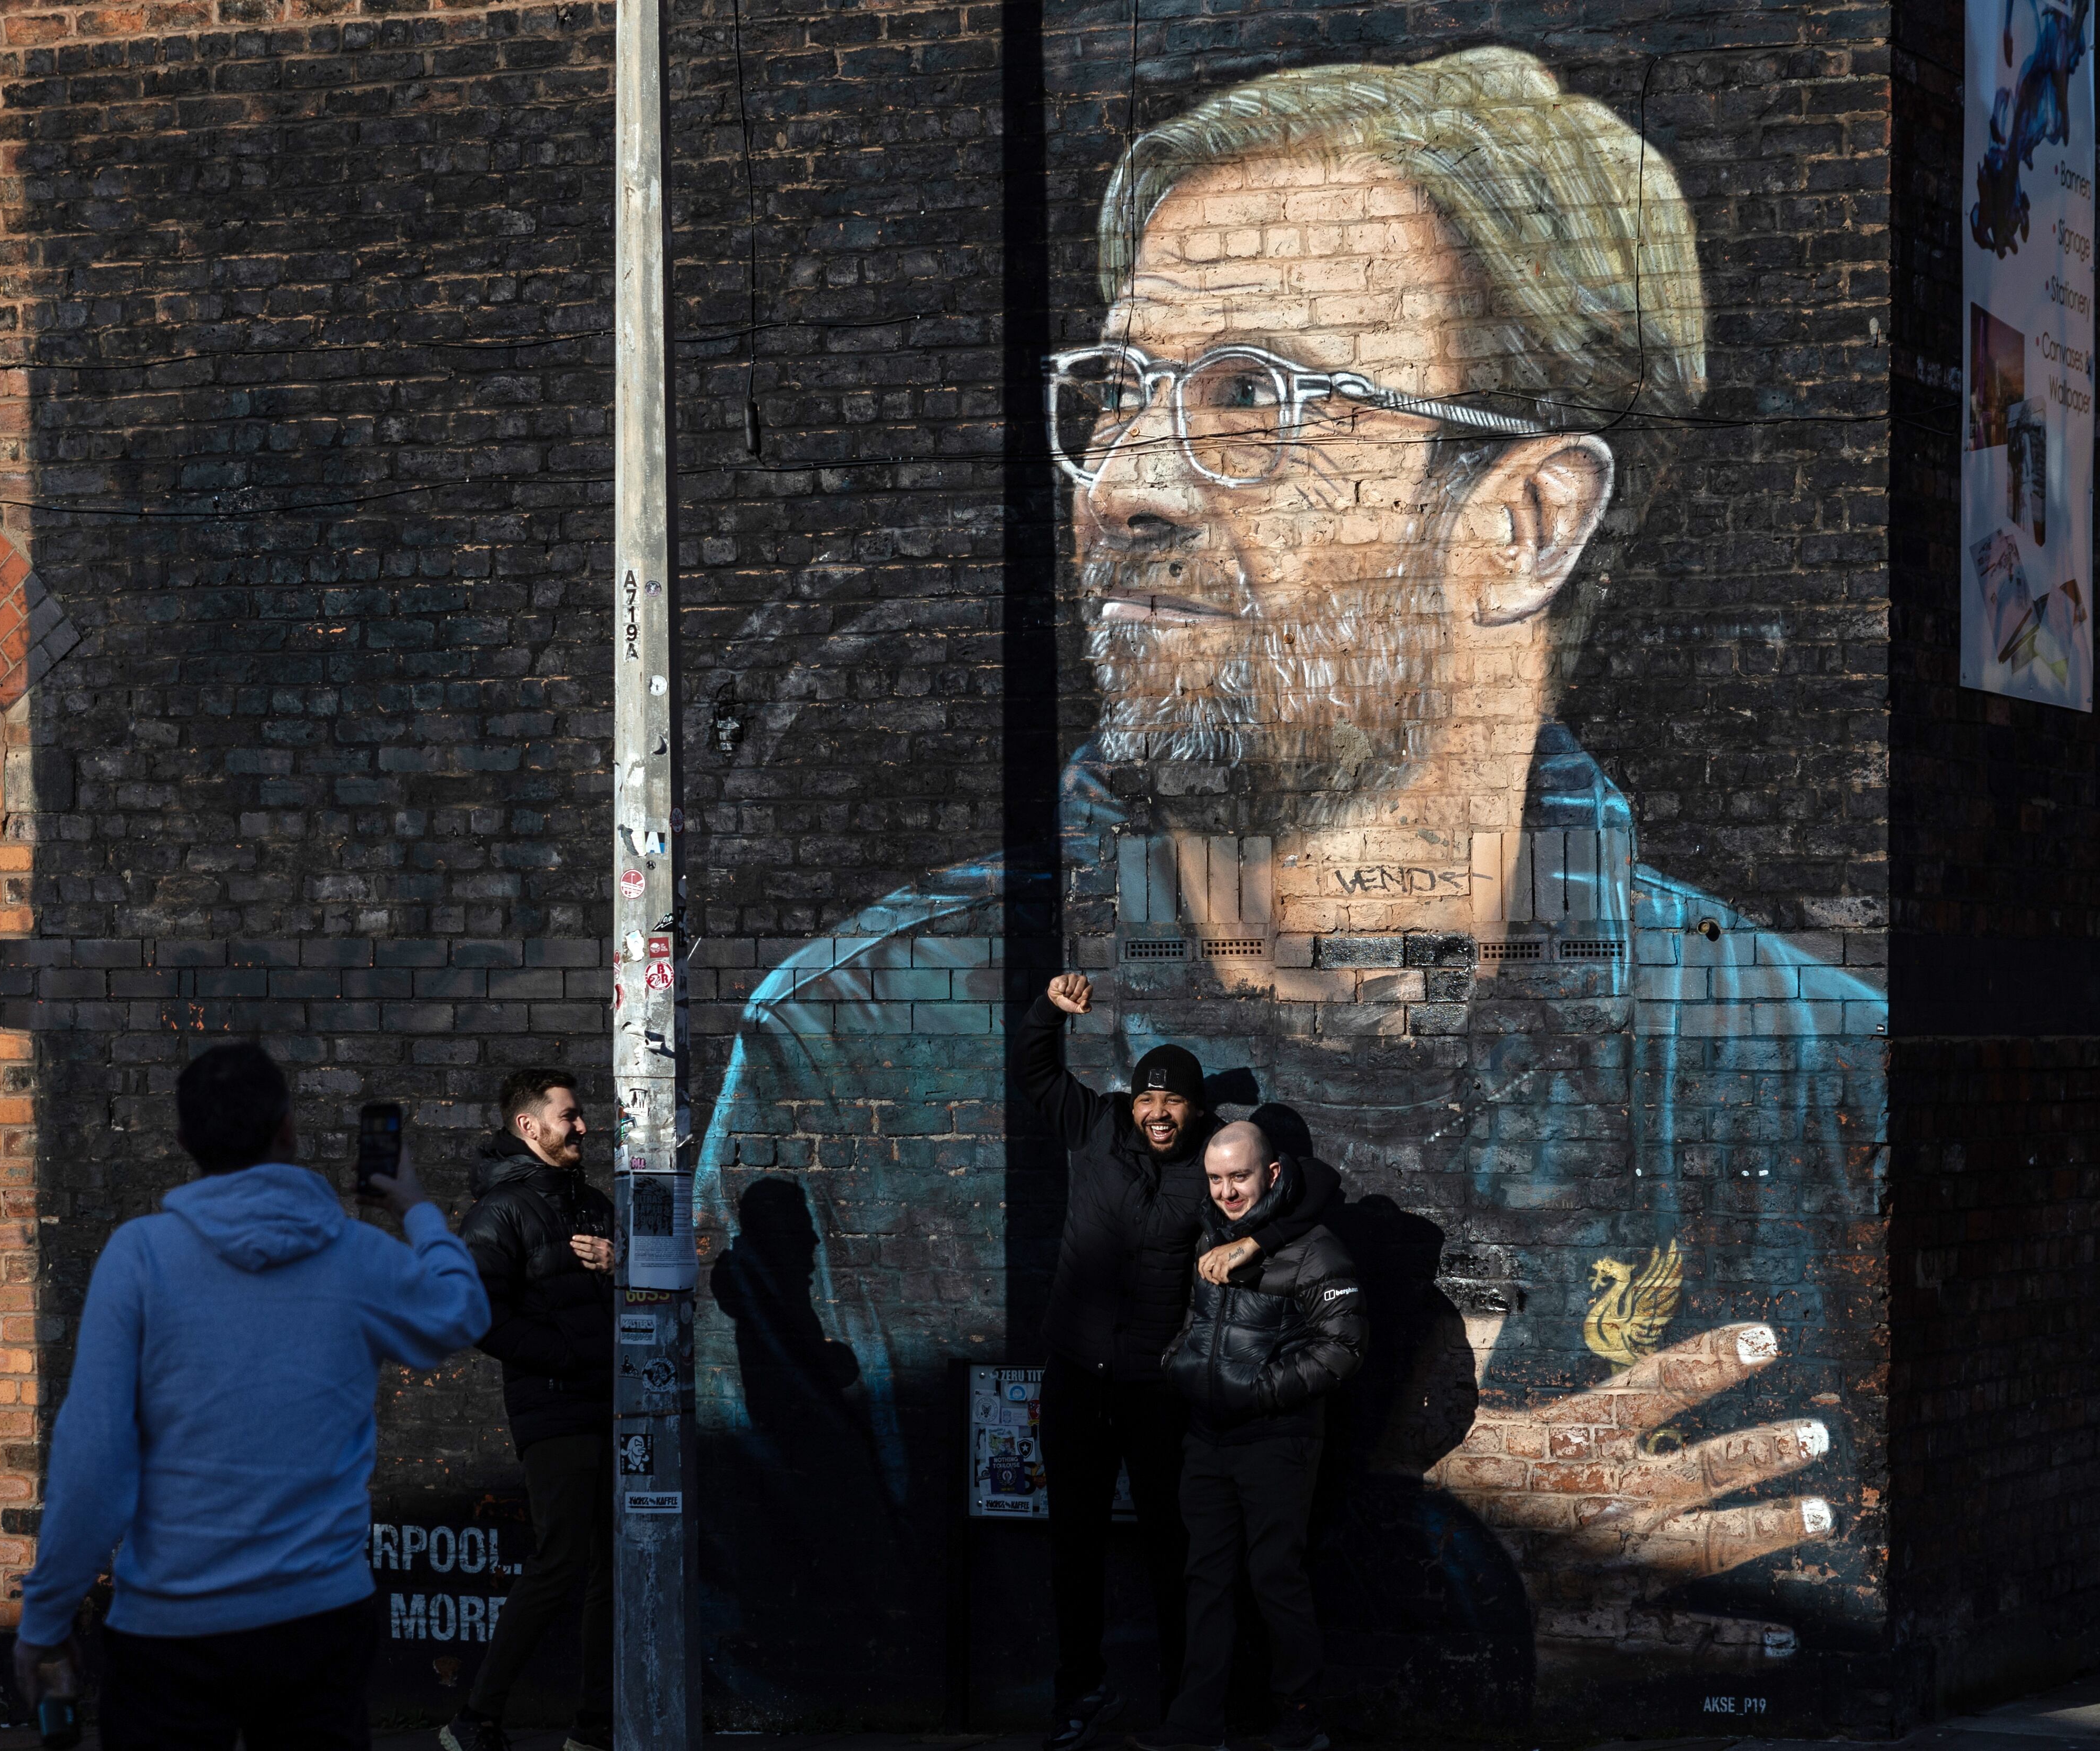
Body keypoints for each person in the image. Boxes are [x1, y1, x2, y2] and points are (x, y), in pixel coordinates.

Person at [694, 45, 1876, 1707]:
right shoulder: (861, 1048)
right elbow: (797, 1655)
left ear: (1525, 521)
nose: (1124, 480)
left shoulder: (1813, 1080)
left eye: (1253, 393)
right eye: (1115, 385)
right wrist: (1435, 1579)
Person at [12, 1041, 490, 1749]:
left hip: (170, 1628)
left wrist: (46, 1624)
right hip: (318, 1620)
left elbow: (92, 1461)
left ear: (183, 1141)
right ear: (288, 1130)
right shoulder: (355, 1255)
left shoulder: (140, 1256)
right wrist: (416, 1206)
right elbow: (463, 1311)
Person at [1020, 971, 1329, 1749]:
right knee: (1074, 1544)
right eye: (1147, 1099)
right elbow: (1033, 1069)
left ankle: (1180, 1707)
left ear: (1195, 1109)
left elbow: (1314, 1183)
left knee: (1174, 1550)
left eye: (1174, 1102)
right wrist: (1044, 1009)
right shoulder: (1093, 1125)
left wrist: (1256, 1239)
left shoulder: (1215, 1163)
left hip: (1158, 1390)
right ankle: (1078, 1691)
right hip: (1075, 1380)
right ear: (1133, 1101)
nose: (1158, 1113)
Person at [1139, 1119, 1363, 1751]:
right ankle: (1195, 1722)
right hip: (1207, 1438)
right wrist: (1177, 1364)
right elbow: (1194, 1320)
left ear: (1271, 1174)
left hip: (1278, 1439)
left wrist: (1259, 1393)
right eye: (1215, 1179)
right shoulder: (1209, 1236)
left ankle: (1299, 1718)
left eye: (1239, 1177)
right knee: (1205, 1579)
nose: (1227, 1192)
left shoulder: (1317, 1250)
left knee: (1274, 1576)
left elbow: (1342, 1349)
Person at [443, 1069, 616, 1751]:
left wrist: (622, 1260)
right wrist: (568, 1356)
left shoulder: (595, 1205)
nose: (583, 1127)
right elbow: (477, 1316)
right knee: (562, 1558)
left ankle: (596, 1727)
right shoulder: (500, 1212)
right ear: (529, 1125)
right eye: (569, 1116)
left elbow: (660, 1287)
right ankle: (476, 1718)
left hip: (613, 1407)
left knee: (610, 1564)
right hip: (555, 1411)